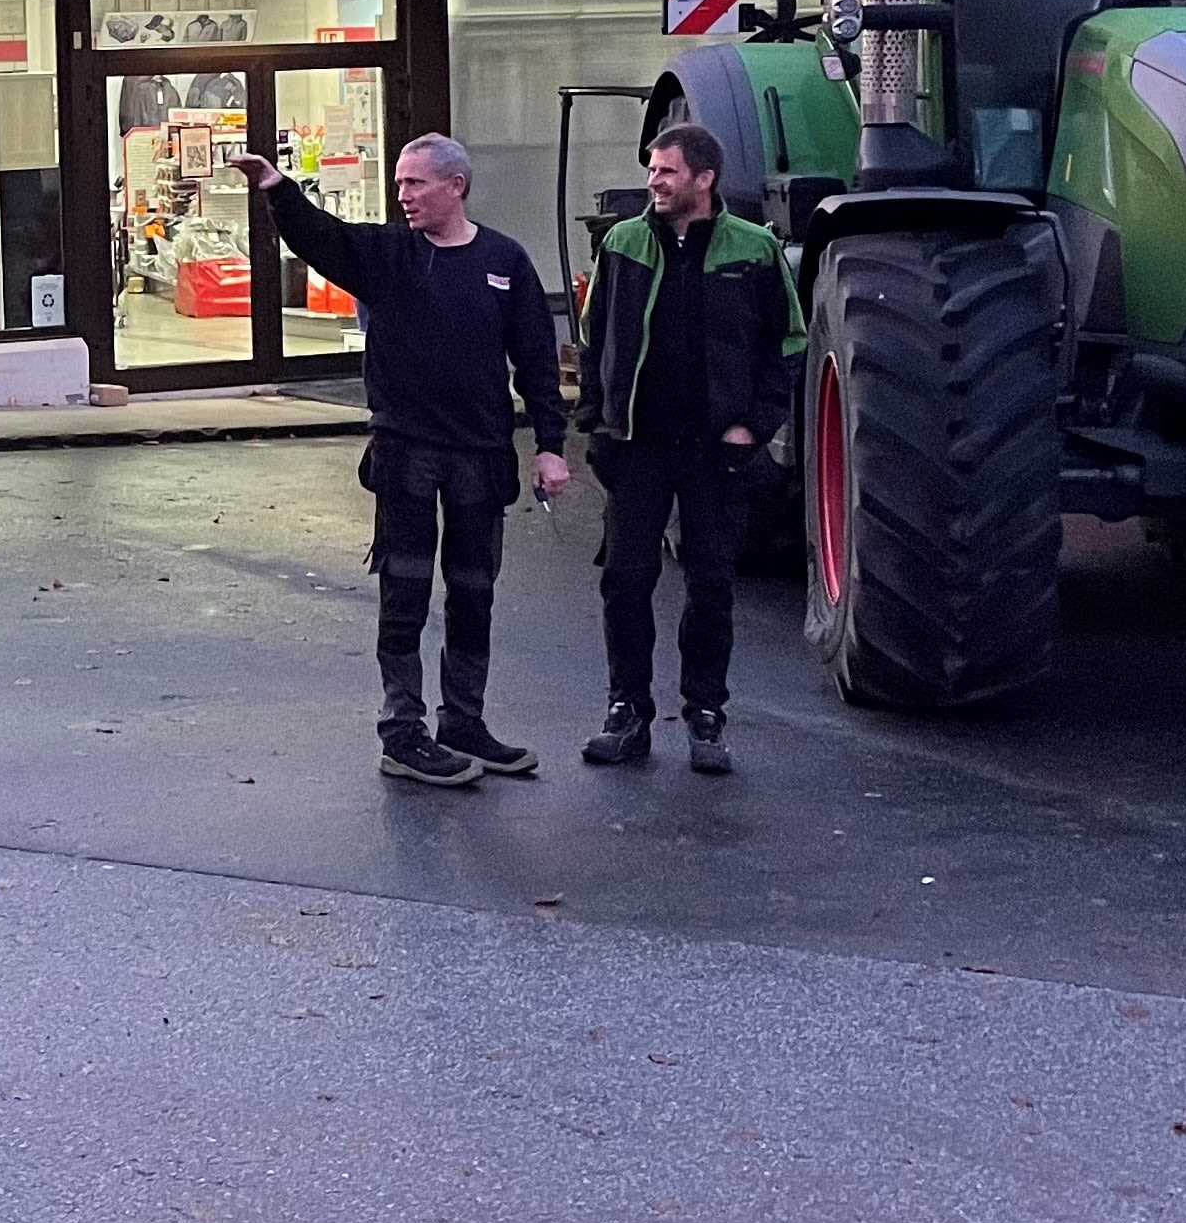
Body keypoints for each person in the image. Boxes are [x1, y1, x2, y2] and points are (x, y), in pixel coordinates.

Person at [238, 133, 571, 790]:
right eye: (399, 184)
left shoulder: (505, 261)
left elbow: (536, 360)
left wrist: (552, 447)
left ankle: (464, 723)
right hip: (405, 455)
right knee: (405, 596)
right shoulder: (388, 255)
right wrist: (278, 189)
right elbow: (321, 237)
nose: (403, 195)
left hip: (480, 456)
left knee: (474, 595)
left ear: (457, 186)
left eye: (416, 183)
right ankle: (403, 732)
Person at [569, 121, 801, 773]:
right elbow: (594, 342)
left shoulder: (754, 250)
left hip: (714, 450)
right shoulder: (622, 243)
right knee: (625, 581)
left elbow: (786, 345)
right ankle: (627, 711)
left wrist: (752, 427)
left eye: (667, 171)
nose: (654, 181)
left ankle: (705, 714)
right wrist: (596, 422)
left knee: (711, 584)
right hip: (636, 446)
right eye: (651, 170)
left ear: (705, 178)